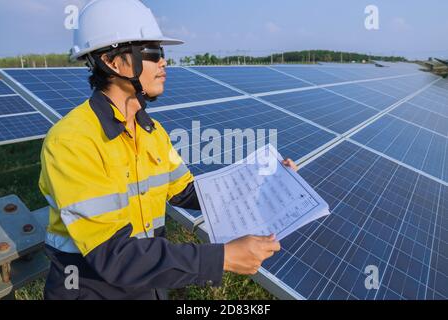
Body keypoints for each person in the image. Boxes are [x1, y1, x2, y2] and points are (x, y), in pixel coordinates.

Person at [39, 0, 297, 300]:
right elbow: (112, 255)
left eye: (162, 53)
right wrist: (221, 257)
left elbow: (186, 192)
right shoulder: (71, 142)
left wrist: (260, 180)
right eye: (152, 52)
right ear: (113, 62)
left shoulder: (152, 131)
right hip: (92, 291)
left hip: (146, 283)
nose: (164, 62)